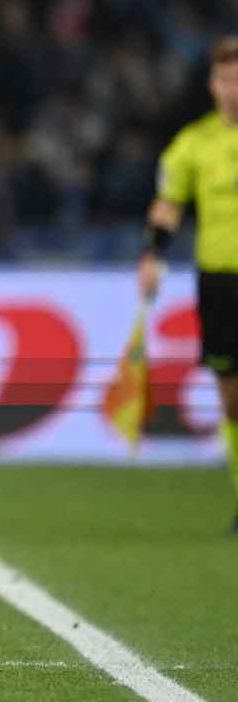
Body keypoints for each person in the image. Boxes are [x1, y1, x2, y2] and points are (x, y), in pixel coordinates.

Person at [138, 36, 238, 533]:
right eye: (225, 79)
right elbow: (169, 204)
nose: (233, 89)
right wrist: (153, 254)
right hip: (219, 280)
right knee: (231, 395)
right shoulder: (195, 142)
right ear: (213, 84)